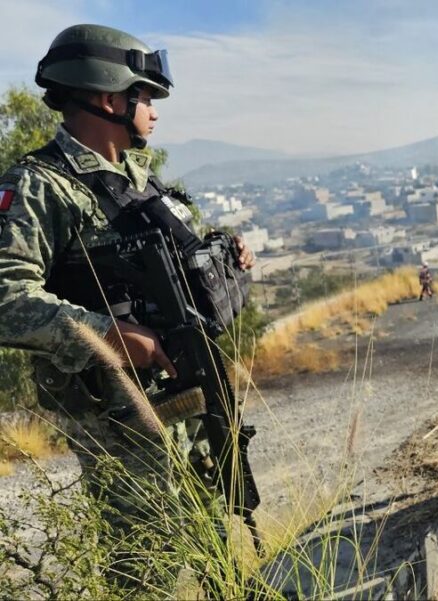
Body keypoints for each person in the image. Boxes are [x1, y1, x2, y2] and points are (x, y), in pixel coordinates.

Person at [0, 25, 255, 591]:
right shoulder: (43, 185)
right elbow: (5, 297)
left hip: (180, 390)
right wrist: (107, 334)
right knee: (144, 559)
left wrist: (225, 251)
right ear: (110, 98)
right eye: (145, 97)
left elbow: (169, 261)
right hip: (117, 414)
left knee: (210, 524)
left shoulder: (136, 179)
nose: (154, 112)